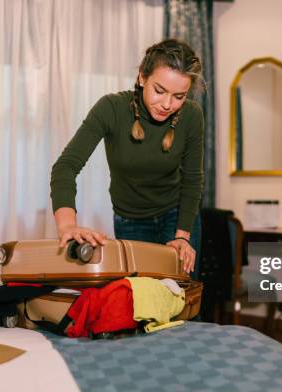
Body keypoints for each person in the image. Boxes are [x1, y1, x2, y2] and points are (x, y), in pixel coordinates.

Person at [50, 39, 204, 279]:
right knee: (140, 303)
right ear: (142, 77)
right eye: (159, 90)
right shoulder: (111, 109)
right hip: (130, 219)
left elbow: (193, 180)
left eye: (179, 96)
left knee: (181, 296)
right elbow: (65, 168)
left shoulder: (192, 115)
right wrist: (67, 225)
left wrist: (182, 236)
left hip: (177, 217)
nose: (167, 104)